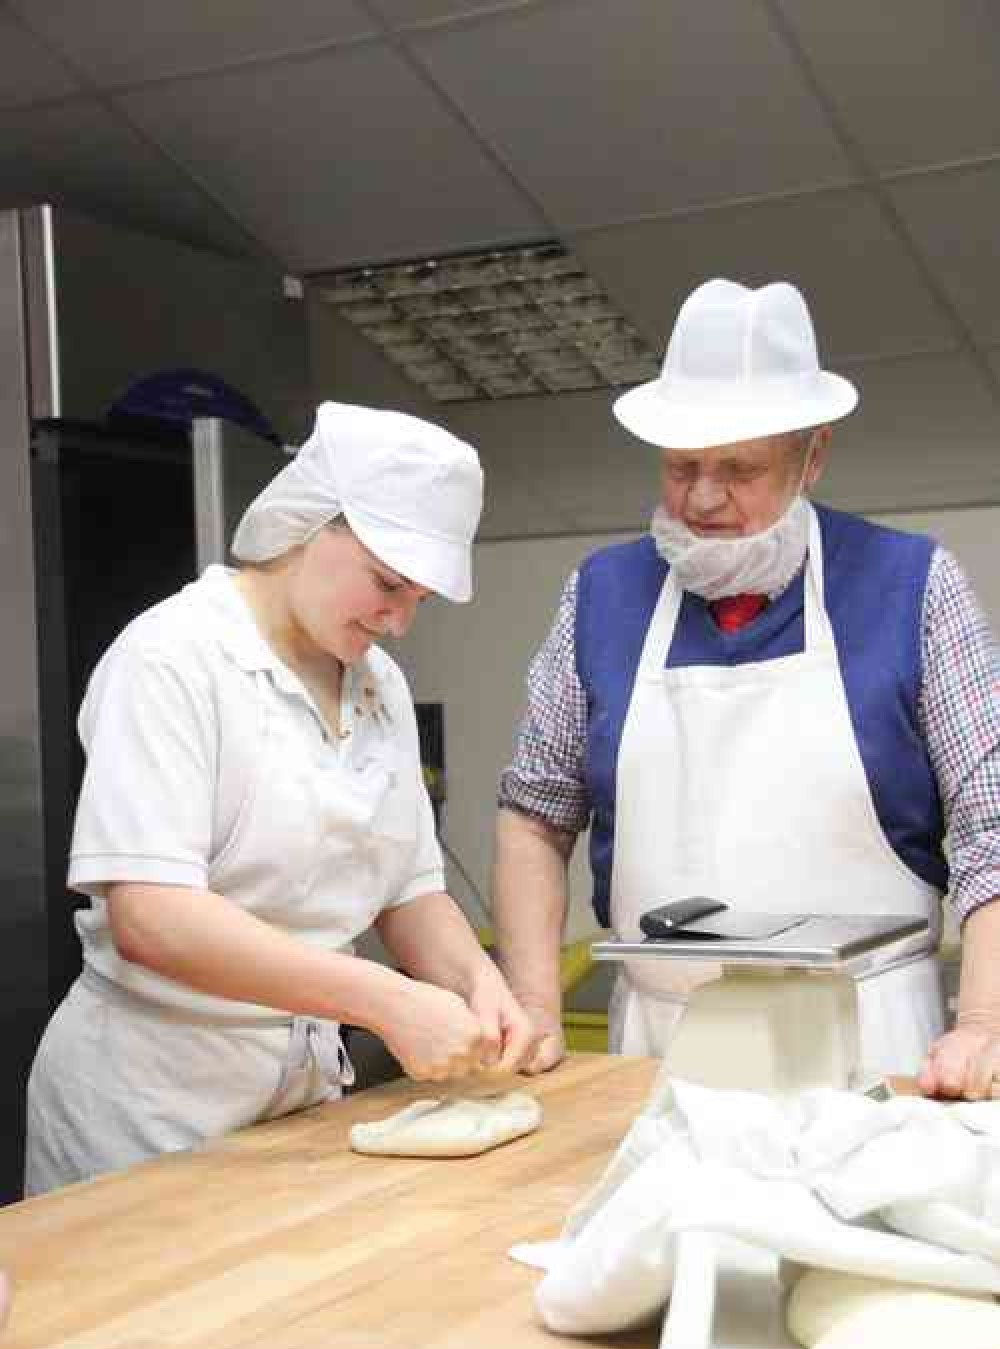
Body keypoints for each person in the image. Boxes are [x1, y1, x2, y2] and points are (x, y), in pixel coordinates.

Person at [493, 279, 1000, 1102]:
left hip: (864, 1047)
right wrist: (532, 1002)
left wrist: (983, 1022)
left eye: (740, 468)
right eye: (681, 466)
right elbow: (534, 817)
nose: (702, 498)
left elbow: (993, 829)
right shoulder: (600, 596)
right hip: (655, 1052)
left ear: (813, 457)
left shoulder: (914, 587)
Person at [26, 401, 536, 1194]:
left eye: (419, 601)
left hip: (298, 1112)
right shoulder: (172, 659)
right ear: (312, 526)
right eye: (389, 584)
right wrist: (386, 1002)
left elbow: (407, 889)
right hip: (148, 1112)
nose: (399, 621)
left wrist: (476, 983)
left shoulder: (380, 687)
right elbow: (152, 917)